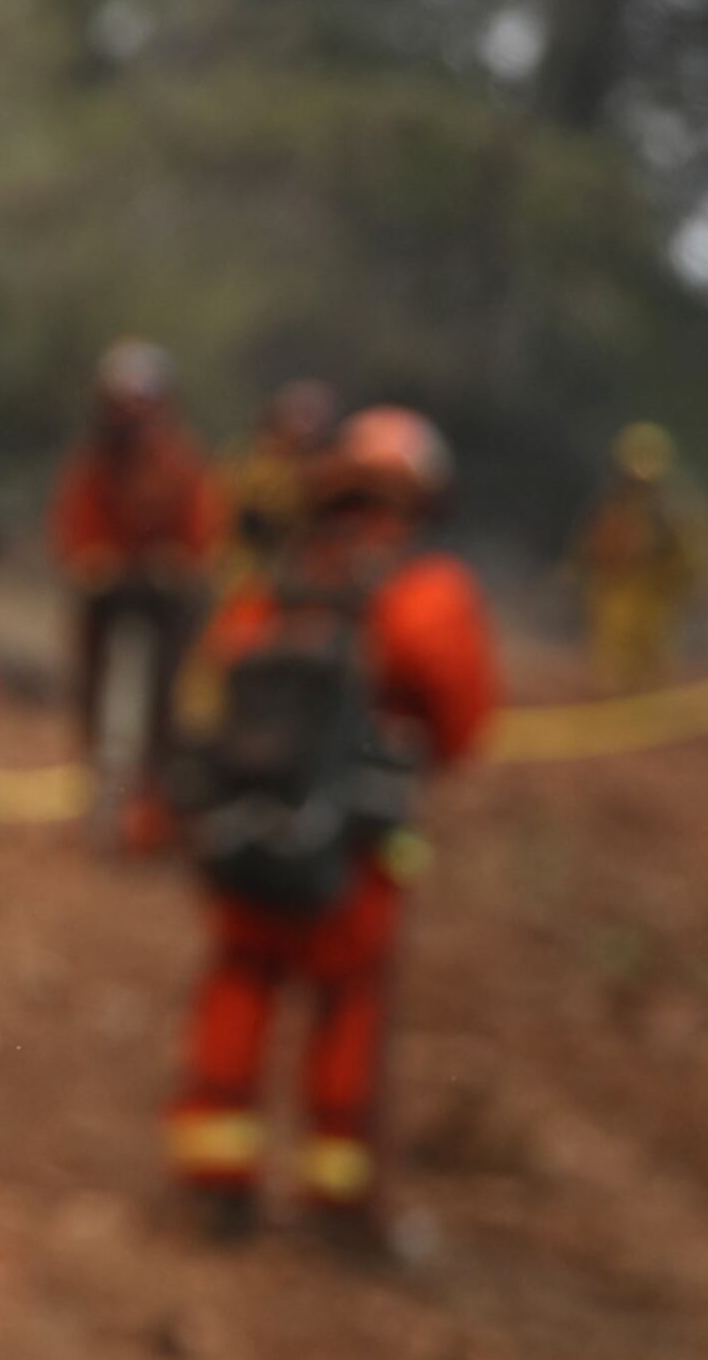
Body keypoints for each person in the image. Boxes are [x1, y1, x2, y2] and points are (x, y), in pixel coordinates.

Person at [164, 406, 500, 1253]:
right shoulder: (425, 594)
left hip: (247, 836)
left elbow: (210, 692)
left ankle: (215, 1182)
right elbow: (461, 725)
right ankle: (339, 1200)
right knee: (348, 1006)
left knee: (238, 983)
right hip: (356, 854)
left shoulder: (272, 586)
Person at [49, 338, 225, 850]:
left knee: (177, 694)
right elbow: (74, 522)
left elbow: (203, 523)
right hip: (110, 590)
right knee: (90, 679)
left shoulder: (180, 457)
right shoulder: (94, 460)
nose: (130, 414)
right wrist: (88, 558)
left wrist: (185, 561)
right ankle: (96, 786)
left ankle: (162, 802)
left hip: (168, 594)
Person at [569, 420, 708, 693]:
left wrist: (678, 580)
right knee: (613, 654)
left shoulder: (673, 506)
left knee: (653, 655)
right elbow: (590, 544)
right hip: (616, 588)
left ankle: (650, 701)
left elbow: (689, 550)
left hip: (655, 591)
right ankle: (615, 704)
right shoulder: (613, 501)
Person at [225, 377, 339, 572]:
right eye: (301, 416)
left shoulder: (327, 467)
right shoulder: (248, 463)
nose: (306, 427)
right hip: (251, 570)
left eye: (312, 417)